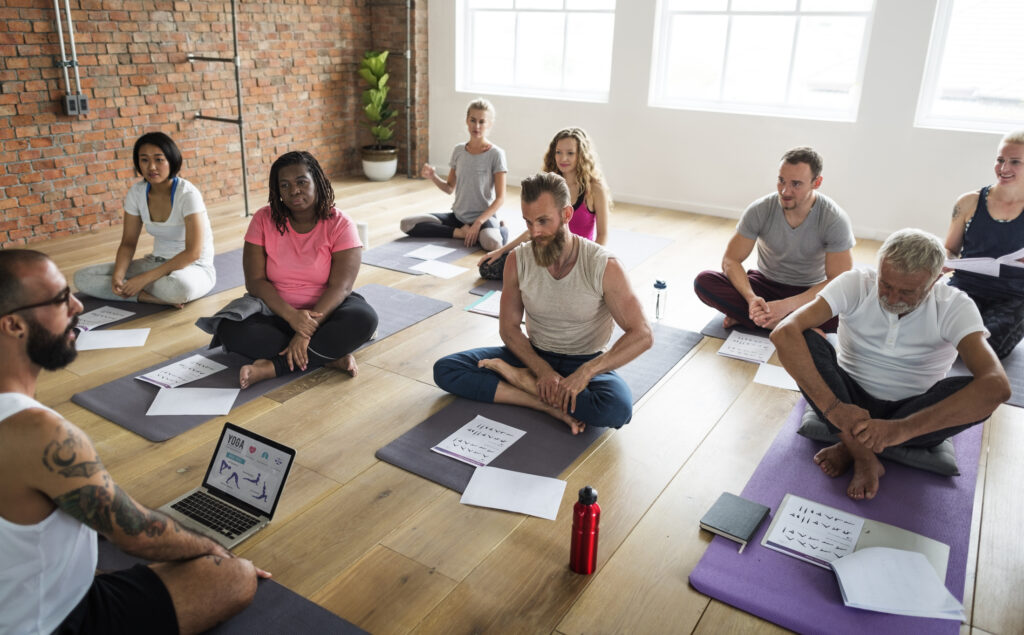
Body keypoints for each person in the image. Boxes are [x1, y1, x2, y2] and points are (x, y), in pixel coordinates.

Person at [0, 249, 266, 634]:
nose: (77, 305)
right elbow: (135, 533)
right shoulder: (41, 434)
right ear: (12, 325)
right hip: (48, 622)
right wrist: (215, 551)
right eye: (60, 299)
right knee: (234, 576)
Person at [771, 229, 1010, 501]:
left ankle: (850, 446)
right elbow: (783, 332)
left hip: (912, 410)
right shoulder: (856, 283)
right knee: (802, 339)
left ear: (935, 282)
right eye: (886, 284)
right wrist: (835, 409)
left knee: (978, 390)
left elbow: (997, 386)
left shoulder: (954, 305)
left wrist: (901, 429)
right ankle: (864, 455)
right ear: (879, 269)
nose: (892, 298)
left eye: (907, 291)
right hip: (846, 397)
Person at [433, 173, 653, 435]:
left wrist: (586, 372)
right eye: (528, 222)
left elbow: (642, 334)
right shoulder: (518, 260)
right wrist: (541, 372)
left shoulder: (604, 265)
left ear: (567, 214)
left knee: (616, 409)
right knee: (447, 370)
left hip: (584, 359)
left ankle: (526, 384)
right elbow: (509, 328)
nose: (534, 232)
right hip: (532, 356)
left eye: (543, 221)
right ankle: (539, 398)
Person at [200, 151, 378, 389]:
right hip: (275, 311)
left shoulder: (341, 223)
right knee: (230, 328)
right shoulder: (263, 219)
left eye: (302, 182)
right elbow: (255, 282)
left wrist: (304, 332)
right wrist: (293, 317)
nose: (294, 191)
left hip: (326, 311)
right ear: (277, 190)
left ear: (318, 181)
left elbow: (341, 286)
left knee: (364, 319)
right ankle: (326, 357)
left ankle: (273, 367)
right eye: (285, 185)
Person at [694, 147, 854, 331]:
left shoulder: (834, 219)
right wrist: (751, 299)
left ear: (816, 182)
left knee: (849, 311)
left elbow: (838, 280)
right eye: (781, 181)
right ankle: (792, 327)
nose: (785, 191)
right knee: (703, 281)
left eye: (796, 184)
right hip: (764, 286)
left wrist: (786, 305)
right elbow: (731, 260)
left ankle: (751, 318)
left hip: (807, 292)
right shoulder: (760, 209)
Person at [74, 132, 216, 307]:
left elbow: (193, 253)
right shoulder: (137, 192)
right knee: (82, 278)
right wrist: (118, 275)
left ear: (171, 160)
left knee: (179, 288)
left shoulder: (188, 194)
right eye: (144, 160)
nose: (152, 167)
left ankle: (148, 291)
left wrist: (143, 279)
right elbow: (128, 242)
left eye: (159, 159)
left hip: (192, 268)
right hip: (155, 263)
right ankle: (147, 297)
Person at [477, 127, 611, 279]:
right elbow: (535, 229)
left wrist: (588, 263)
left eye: (570, 153)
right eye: (558, 152)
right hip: (546, 251)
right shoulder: (549, 184)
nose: (563, 158)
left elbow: (602, 234)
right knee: (487, 267)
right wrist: (501, 250)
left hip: (576, 257)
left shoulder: (595, 189)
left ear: (581, 155)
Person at [945, 129, 1024, 358]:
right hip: (966, 286)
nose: (1003, 168)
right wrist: (945, 260)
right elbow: (950, 248)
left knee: (987, 347)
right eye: (1000, 160)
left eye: (1015, 162)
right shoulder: (969, 202)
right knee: (936, 331)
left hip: (1013, 296)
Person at [400, 98, 508, 251]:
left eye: (482, 122)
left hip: (483, 219)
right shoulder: (459, 151)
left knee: (493, 244)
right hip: (457, 218)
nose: (476, 126)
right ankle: (459, 234)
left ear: (489, 124)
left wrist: (478, 223)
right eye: (473, 120)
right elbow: (449, 188)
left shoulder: (496, 154)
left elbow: (500, 198)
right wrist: (433, 177)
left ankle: (501, 228)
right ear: (466, 120)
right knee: (406, 224)